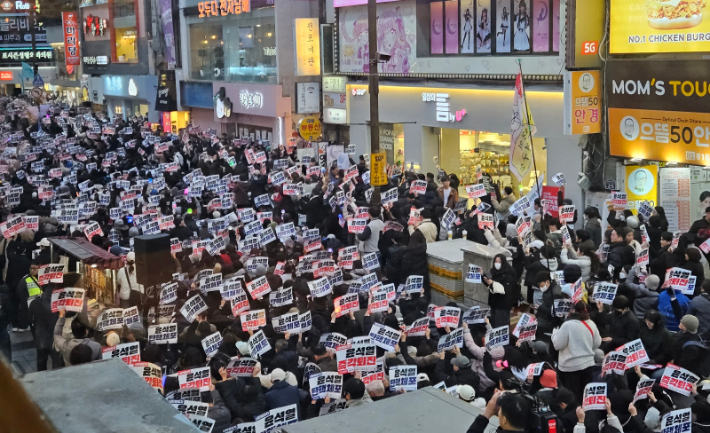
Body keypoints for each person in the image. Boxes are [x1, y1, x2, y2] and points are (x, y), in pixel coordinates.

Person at [551, 301, 602, 402]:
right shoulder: (591, 323)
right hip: (588, 364)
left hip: (570, 367)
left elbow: (558, 345)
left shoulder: (568, 325)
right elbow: (597, 343)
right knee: (585, 395)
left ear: (573, 310)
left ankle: (575, 415)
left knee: (572, 397)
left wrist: (554, 334)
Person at [483, 254, 516, 327]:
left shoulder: (508, 274)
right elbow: (489, 284)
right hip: (494, 302)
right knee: (494, 323)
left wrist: (493, 283)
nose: (497, 263)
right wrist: (483, 277)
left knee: (501, 325)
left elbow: (506, 290)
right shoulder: (493, 271)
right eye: (496, 261)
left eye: (499, 262)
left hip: (503, 305)